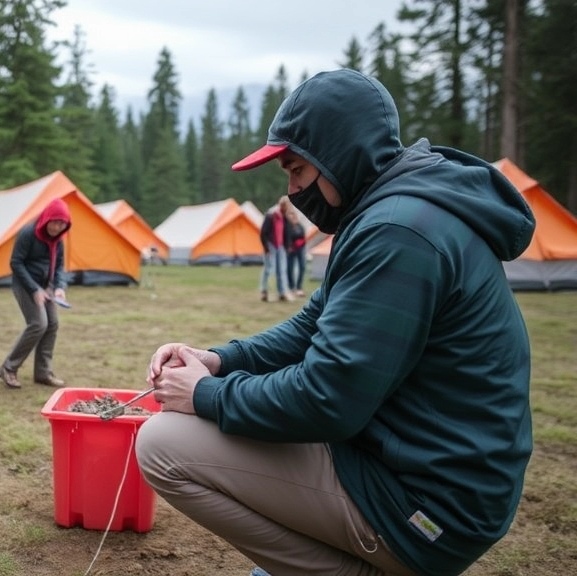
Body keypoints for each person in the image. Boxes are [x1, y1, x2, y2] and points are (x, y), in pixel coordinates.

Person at [135, 69, 534, 576]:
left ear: (338, 157)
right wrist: (218, 359)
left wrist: (204, 396)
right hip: (415, 468)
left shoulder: (398, 233)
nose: (294, 189)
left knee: (163, 444)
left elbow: (327, 400)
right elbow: (310, 327)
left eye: (298, 170)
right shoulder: (391, 211)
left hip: (430, 506)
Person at [0, 198, 71, 389]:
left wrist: (59, 286)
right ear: (47, 219)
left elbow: (59, 265)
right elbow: (16, 263)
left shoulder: (58, 240)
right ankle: (8, 368)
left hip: (47, 287)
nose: (57, 227)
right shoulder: (28, 233)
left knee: (52, 324)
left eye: (62, 224)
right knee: (38, 323)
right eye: (55, 222)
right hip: (25, 284)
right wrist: (34, 289)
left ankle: (43, 373)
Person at [258, 197, 292, 302]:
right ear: (280, 205)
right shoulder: (271, 216)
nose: (285, 208)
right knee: (268, 269)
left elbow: (286, 233)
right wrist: (266, 248)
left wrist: (287, 246)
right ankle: (264, 291)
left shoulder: (284, 218)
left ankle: (282, 293)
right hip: (271, 245)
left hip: (281, 246)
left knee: (281, 270)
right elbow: (263, 233)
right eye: (284, 206)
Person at [283, 202, 307, 297]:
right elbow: (287, 237)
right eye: (290, 214)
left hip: (300, 248)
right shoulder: (287, 226)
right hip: (291, 249)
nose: (292, 216)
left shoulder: (299, 225)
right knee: (290, 267)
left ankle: (299, 287)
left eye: (293, 214)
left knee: (302, 266)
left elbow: (303, 235)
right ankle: (291, 286)